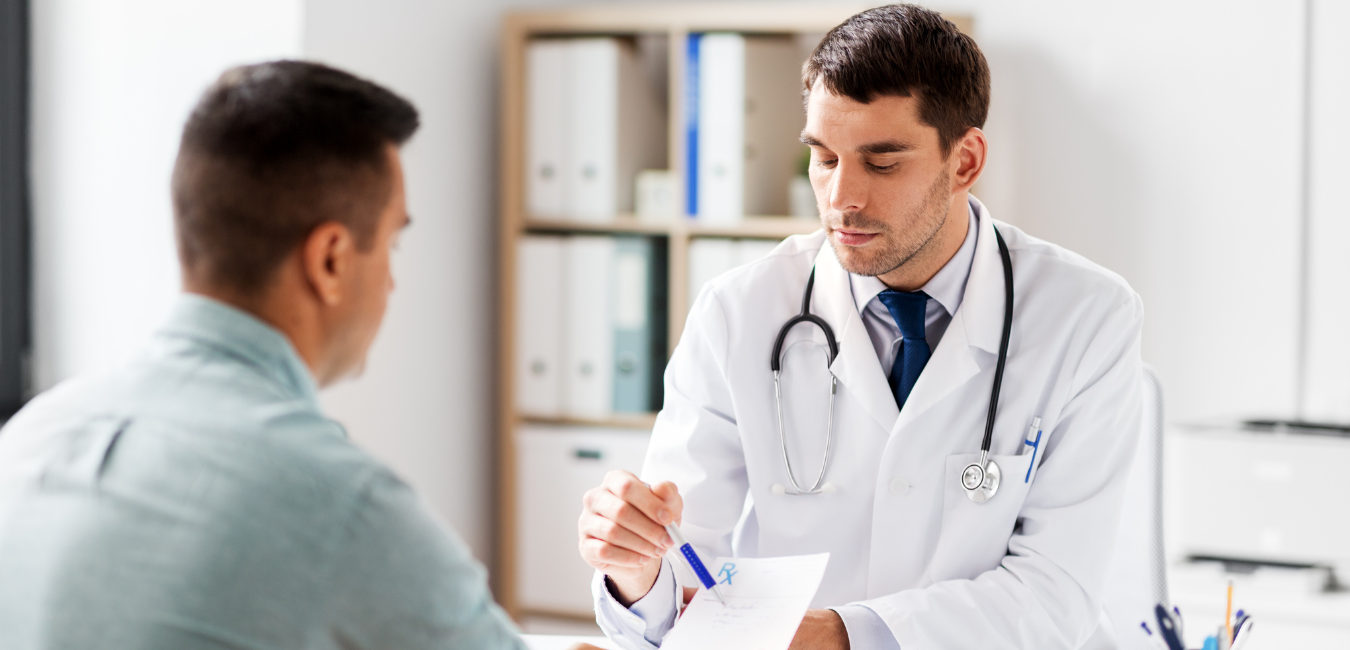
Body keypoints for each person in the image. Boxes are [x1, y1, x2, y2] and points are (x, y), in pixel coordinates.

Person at [578, 5, 1145, 649]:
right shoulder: (739, 312)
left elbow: (1054, 594)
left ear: (964, 161)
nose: (841, 197)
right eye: (823, 158)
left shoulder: (1087, 316)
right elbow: (681, 576)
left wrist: (845, 636)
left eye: (881, 163)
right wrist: (636, 571)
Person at [0, 61, 541, 650]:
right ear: (330, 260)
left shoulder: (29, 441)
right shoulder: (342, 507)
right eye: (392, 243)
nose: (391, 282)